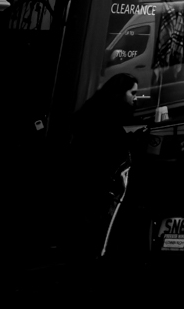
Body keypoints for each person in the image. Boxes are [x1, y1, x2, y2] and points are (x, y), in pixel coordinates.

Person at [70, 73, 140, 257]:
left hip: (84, 175)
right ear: (121, 93)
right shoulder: (116, 116)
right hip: (101, 178)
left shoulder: (93, 108)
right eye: (132, 93)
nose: (135, 97)